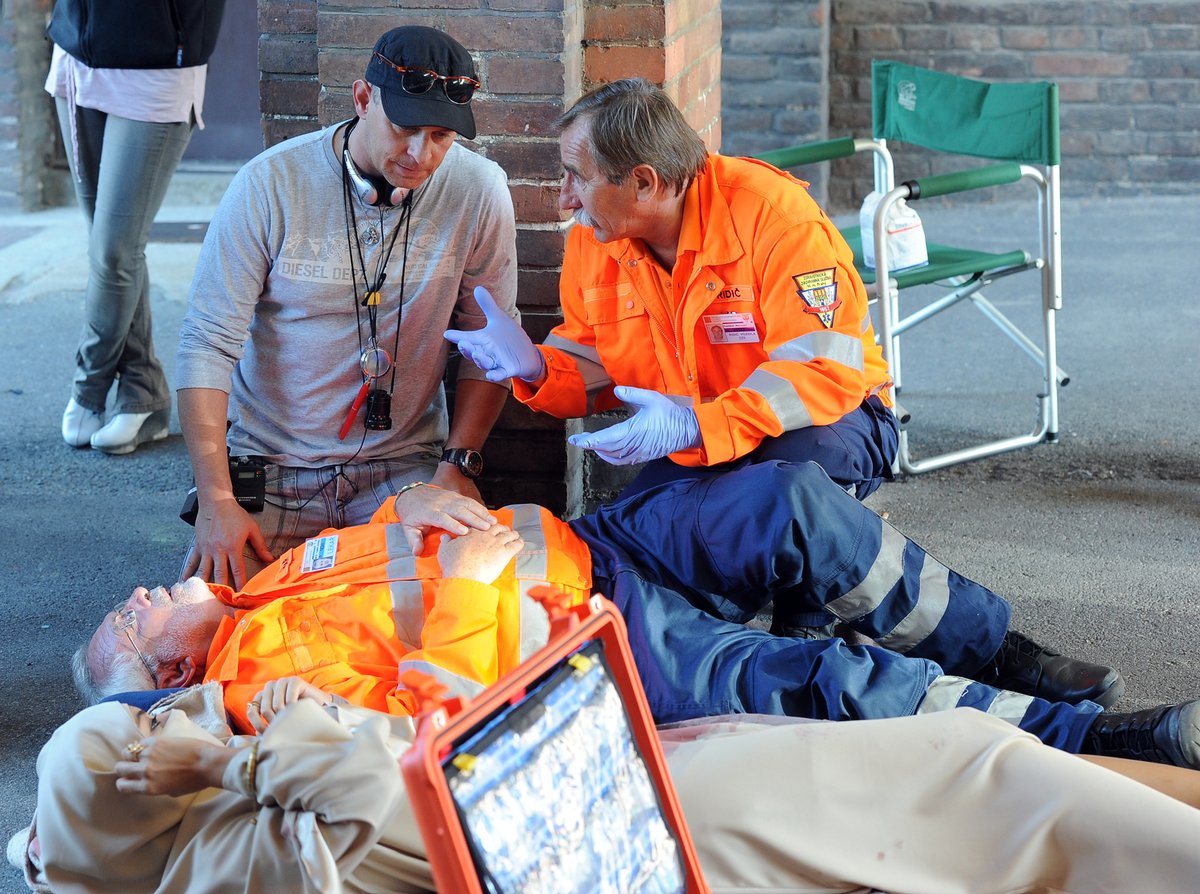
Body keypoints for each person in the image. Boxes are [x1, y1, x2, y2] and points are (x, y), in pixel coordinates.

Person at [74, 464, 1197, 768]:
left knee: (790, 504)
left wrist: (422, 496)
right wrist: (468, 591)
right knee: (824, 688)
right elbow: (434, 724)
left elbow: (404, 514)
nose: (131, 597)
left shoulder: (263, 580)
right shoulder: (252, 699)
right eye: (128, 626)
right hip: (581, 652)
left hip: (596, 547)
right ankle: (1100, 739)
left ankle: (1004, 647)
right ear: (164, 680)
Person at [16, 685, 1200, 892]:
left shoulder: (197, 842)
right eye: (147, 730)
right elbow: (408, 818)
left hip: (601, 796)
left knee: (982, 776)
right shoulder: (216, 864)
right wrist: (234, 757)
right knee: (977, 775)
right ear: (125, 799)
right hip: (613, 838)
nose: (170, 720)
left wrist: (268, 740)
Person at [175, 25, 518, 590]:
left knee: (461, 602)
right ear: (363, 100)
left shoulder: (480, 190)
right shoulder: (268, 184)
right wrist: (216, 499)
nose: (420, 154)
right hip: (272, 469)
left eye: (441, 136)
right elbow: (206, 346)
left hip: (404, 470)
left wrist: (459, 465)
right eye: (405, 128)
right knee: (209, 630)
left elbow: (490, 342)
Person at [445, 77, 897, 505]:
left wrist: (693, 427)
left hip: (834, 421)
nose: (566, 199)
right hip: (707, 436)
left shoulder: (776, 218)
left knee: (765, 508)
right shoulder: (597, 237)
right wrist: (536, 367)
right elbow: (593, 367)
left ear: (644, 182)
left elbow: (823, 374)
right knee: (636, 535)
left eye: (578, 177)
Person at [47, 2, 214, 455]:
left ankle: (88, 388)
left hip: (157, 68)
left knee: (114, 251)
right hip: (78, 54)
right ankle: (143, 394)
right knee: (110, 248)